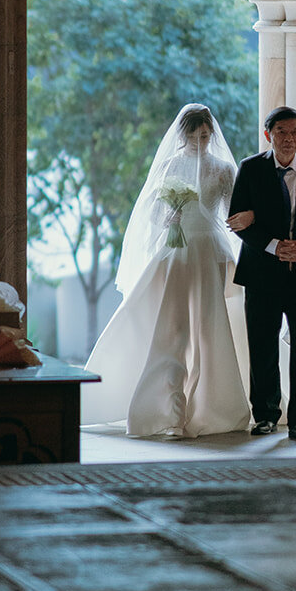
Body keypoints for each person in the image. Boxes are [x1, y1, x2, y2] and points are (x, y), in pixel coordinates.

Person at [82, 104, 251, 438]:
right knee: (172, 327)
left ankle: (213, 407)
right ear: (183, 135)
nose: (201, 142)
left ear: (211, 135)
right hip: (177, 251)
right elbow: (156, 216)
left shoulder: (223, 170)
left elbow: (232, 213)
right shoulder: (171, 166)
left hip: (210, 250)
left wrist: (242, 220)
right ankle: (165, 410)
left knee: (211, 326)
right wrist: (170, 219)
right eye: (194, 136)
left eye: (205, 136)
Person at [227, 105, 296, 442]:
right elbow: (237, 221)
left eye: (294, 133)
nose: (289, 140)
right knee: (262, 344)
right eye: (281, 133)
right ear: (268, 135)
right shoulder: (250, 169)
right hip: (262, 273)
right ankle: (266, 415)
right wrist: (274, 245)